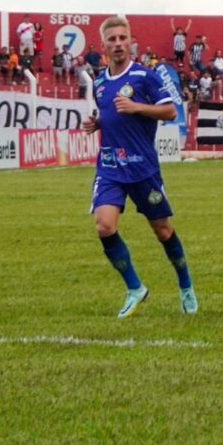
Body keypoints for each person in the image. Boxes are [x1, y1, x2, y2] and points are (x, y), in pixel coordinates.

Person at [82, 16, 198, 318]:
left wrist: (137, 108)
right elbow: (111, 115)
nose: (118, 44)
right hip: (110, 166)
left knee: (163, 230)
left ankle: (185, 285)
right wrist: (97, 124)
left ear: (130, 42)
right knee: (104, 226)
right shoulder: (99, 83)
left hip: (142, 168)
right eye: (112, 39)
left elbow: (171, 111)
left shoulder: (146, 77)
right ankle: (135, 288)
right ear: (104, 44)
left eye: (123, 38)